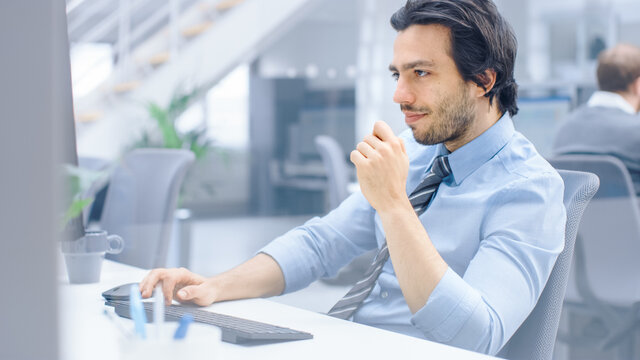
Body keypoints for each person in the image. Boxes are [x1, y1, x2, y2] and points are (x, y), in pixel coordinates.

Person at [140, 0, 566, 355]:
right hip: (348, 342)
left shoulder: (529, 190)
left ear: (483, 80)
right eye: (397, 74)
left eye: (421, 73)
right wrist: (215, 286)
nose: (400, 94)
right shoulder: (416, 151)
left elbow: (478, 336)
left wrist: (395, 205)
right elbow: (322, 243)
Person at [552, 43, 640, 196]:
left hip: (579, 221)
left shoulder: (564, 129)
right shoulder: (636, 131)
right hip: (628, 220)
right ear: (637, 85)